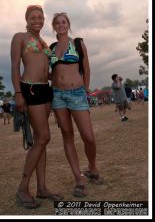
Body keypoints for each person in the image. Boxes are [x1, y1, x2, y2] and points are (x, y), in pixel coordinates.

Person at [10, 5, 63, 209]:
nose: (37, 20)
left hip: (45, 89)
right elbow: (15, 66)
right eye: (33, 17)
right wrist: (17, 93)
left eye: (40, 17)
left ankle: (41, 187)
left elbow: (46, 69)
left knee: (42, 141)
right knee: (42, 138)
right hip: (30, 88)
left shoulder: (43, 42)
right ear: (26, 19)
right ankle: (23, 188)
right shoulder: (20, 37)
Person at [49, 12, 102, 198]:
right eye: (57, 23)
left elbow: (86, 68)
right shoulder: (52, 48)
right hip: (57, 96)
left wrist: (85, 88)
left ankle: (92, 167)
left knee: (88, 136)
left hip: (77, 94)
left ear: (68, 24)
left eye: (64, 22)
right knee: (67, 135)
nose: (61, 25)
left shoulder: (78, 43)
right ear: (54, 26)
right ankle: (78, 179)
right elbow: (51, 73)